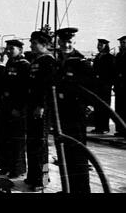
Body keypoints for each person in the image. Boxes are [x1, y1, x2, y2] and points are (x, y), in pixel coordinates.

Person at [55, 27, 94, 193]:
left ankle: (82, 190)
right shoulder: (59, 61)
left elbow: (93, 86)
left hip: (76, 113)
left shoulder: (80, 62)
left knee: (78, 153)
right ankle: (68, 188)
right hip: (62, 113)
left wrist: (89, 105)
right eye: (63, 41)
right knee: (65, 153)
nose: (66, 44)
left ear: (74, 42)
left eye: (69, 41)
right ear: (58, 42)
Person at [25, 30, 55, 191]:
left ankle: (42, 179)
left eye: (34, 43)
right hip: (32, 107)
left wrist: (42, 106)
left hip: (41, 109)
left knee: (40, 145)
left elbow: (47, 87)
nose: (31, 45)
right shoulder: (36, 60)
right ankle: (32, 175)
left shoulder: (48, 61)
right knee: (31, 143)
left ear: (44, 44)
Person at [0, 39, 29, 178]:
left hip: (16, 107)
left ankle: (18, 168)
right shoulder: (10, 63)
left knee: (17, 139)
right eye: (7, 48)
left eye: (12, 49)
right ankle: (6, 166)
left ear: (20, 50)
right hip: (6, 105)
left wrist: (19, 108)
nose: (9, 51)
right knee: (5, 137)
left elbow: (24, 90)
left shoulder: (24, 65)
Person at [91, 38, 115, 134]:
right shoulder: (98, 57)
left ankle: (104, 127)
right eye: (98, 45)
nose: (99, 47)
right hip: (97, 86)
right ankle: (98, 127)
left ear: (106, 46)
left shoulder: (110, 58)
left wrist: (107, 83)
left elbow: (112, 72)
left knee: (104, 107)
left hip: (105, 86)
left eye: (101, 45)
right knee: (97, 106)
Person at [114, 35, 126, 137]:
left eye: (124, 43)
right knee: (119, 108)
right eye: (121, 43)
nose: (122, 44)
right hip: (119, 86)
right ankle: (120, 129)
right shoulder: (118, 55)